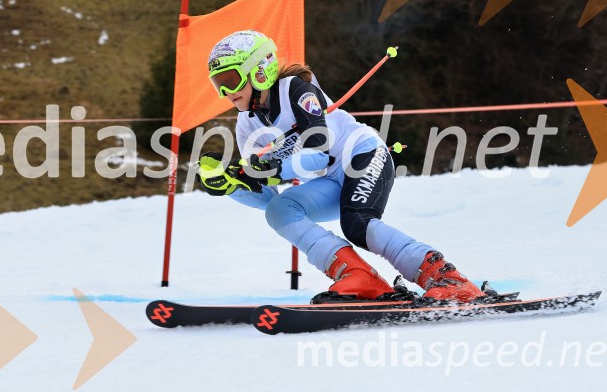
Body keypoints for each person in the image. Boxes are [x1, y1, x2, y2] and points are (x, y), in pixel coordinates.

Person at [196, 30, 487, 302]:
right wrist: (233, 185)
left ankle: (448, 280)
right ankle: (360, 277)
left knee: (357, 224)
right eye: (219, 85)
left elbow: (318, 155)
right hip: (330, 179)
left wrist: (268, 169)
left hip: (362, 154)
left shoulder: (295, 89)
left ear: (260, 70)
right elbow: (265, 197)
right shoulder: (247, 124)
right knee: (279, 211)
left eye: (231, 80)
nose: (226, 92)